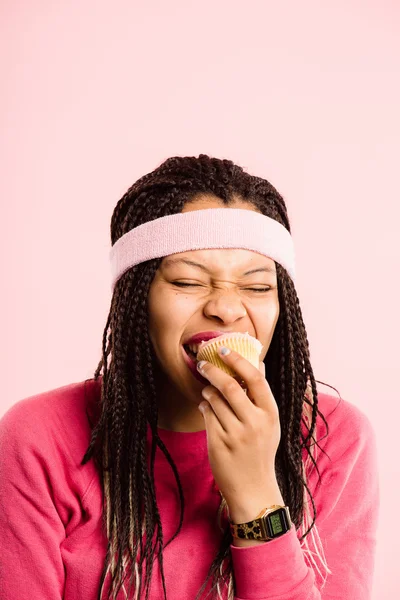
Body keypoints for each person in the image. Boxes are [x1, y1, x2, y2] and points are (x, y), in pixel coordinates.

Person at [0, 154, 379, 600]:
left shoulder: (333, 441)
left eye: (257, 287)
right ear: (136, 301)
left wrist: (256, 493)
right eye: (187, 281)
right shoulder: (38, 440)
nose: (225, 307)